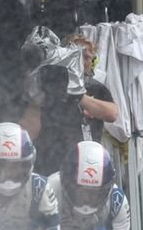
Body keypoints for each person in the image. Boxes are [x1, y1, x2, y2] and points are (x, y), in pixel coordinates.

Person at [18, 28, 119, 175]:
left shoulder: (95, 87)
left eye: (85, 57)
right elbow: (26, 135)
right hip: (49, 165)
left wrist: (79, 95)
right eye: (74, 55)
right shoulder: (46, 86)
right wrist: (37, 97)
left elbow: (112, 114)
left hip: (86, 165)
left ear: (92, 61)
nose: (79, 61)